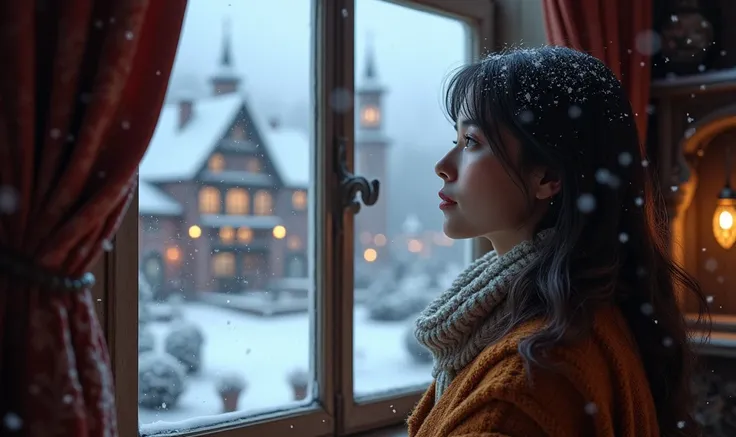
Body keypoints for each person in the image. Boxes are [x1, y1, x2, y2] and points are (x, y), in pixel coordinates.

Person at [408, 46, 709, 437]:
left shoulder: (520, 390)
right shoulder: (592, 309)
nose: (443, 166)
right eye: (456, 139)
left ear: (548, 175)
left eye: (472, 142)